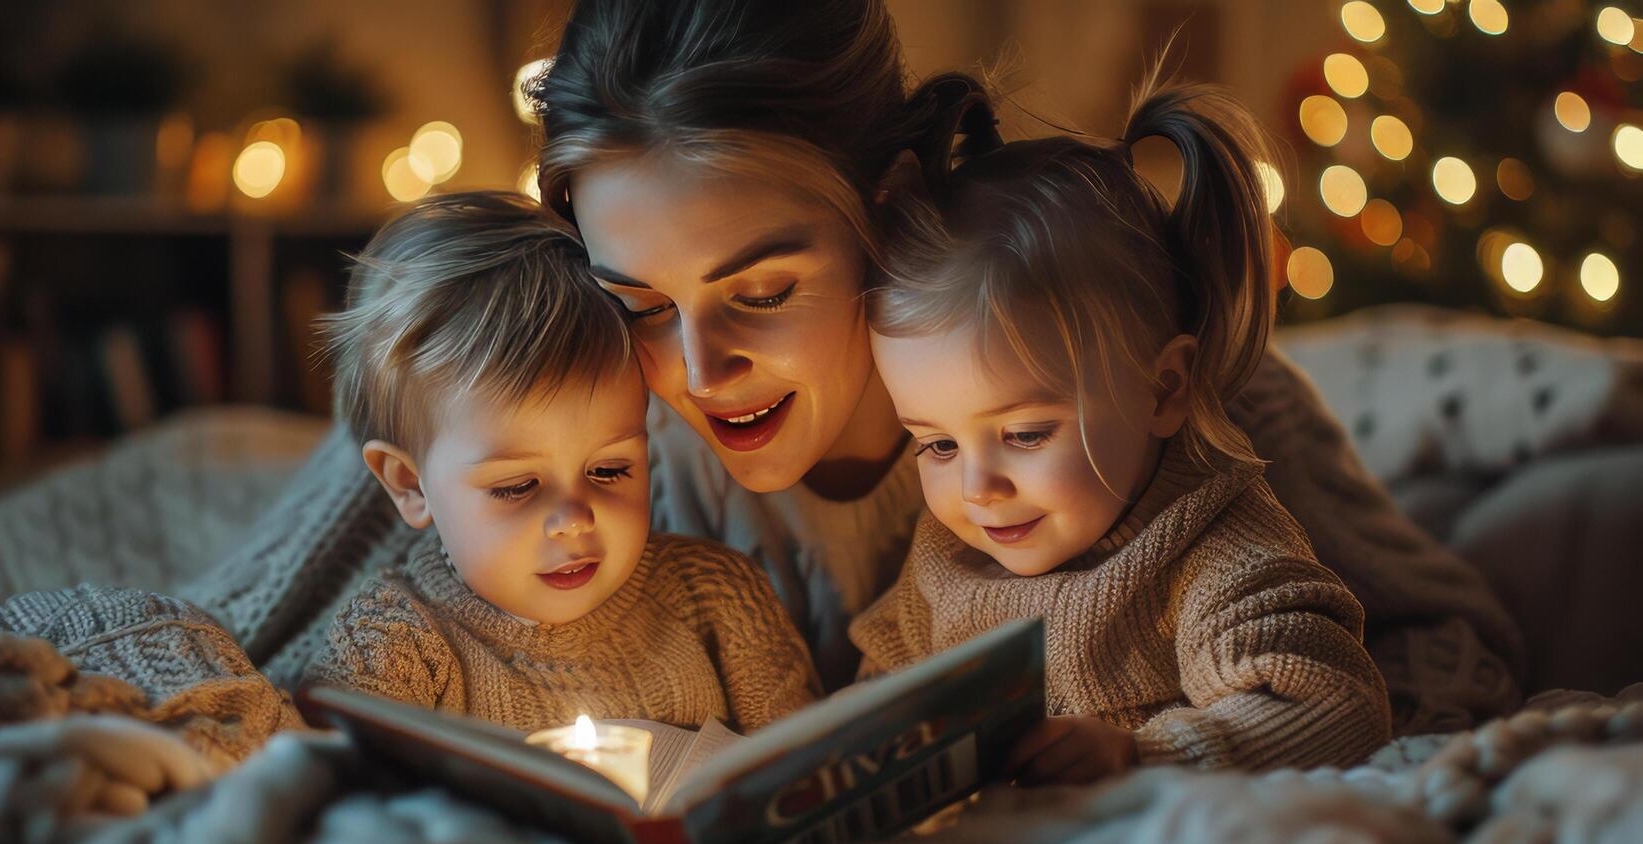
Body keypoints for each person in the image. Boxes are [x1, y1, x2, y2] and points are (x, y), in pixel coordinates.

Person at [525, 0, 1520, 729]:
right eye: (641, 305)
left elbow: (1451, 643)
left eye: (764, 292)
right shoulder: (606, 449)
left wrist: (1203, 761)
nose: (700, 370)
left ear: (891, 201)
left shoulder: (1157, 402)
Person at [849, 80, 1390, 779]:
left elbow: (1332, 709)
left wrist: (1144, 755)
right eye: (938, 444)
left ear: (1162, 389)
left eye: (1024, 435)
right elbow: (874, 697)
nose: (977, 490)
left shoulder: (1214, 553)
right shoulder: (944, 566)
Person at [301, 192, 818, 733]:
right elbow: (336, 796)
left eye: (609, 470)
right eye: (518, 485)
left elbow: (805, 775)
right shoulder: (392, 643)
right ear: (410, 483)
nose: (575, 516)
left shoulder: (719, 600)